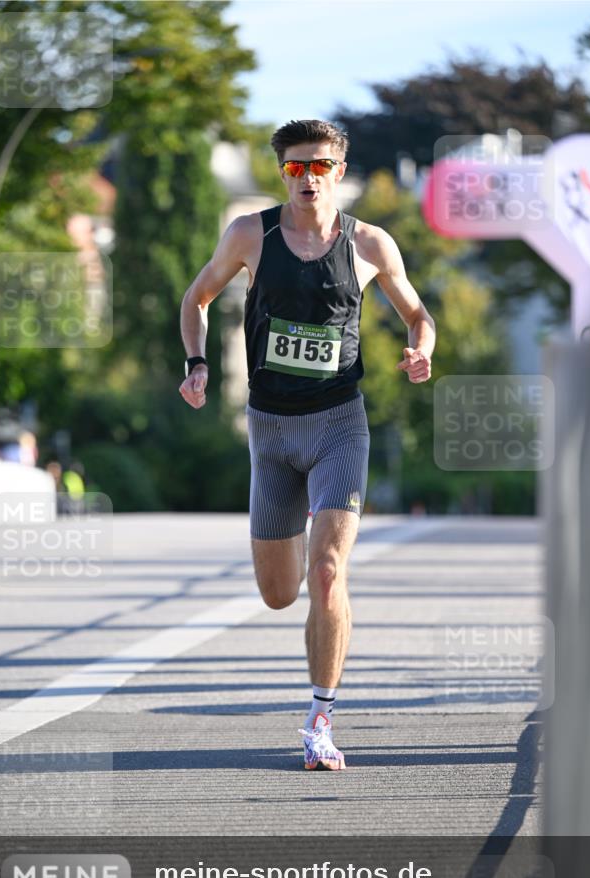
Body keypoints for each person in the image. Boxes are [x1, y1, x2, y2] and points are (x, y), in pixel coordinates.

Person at [179, 119, 435, 770]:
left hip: (338, 425)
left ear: (338, 172)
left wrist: (420, 351)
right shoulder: (249, 235)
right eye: (295, 167)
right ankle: (294, 542)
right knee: (276, 592)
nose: (308, 178)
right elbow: (197, 297)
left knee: (327, 573)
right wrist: (196, 363)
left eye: (320, 166)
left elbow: (416, 313)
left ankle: (320, 717)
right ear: (281, 173)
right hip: (268, 431)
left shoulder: (371, 244)